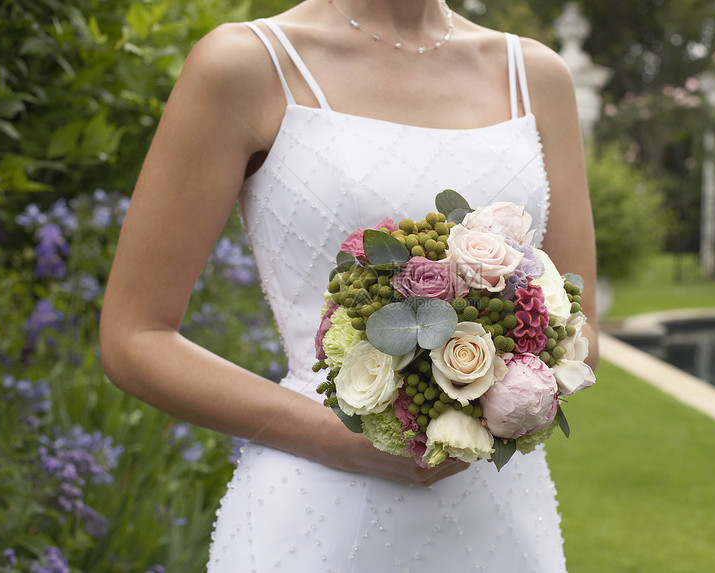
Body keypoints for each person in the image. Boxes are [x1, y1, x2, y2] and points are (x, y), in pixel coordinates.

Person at [99, 0, 599, 570]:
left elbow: (579, 333)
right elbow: (134, 336)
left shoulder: (535, 76)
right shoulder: (246, 65)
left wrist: (496, 388)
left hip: (500, 516)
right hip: (320, 516)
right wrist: (336, 437)